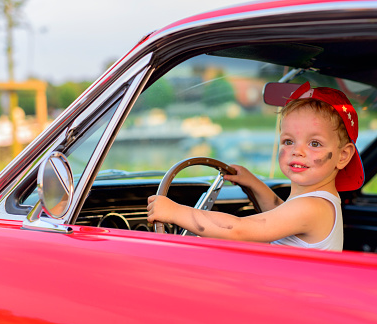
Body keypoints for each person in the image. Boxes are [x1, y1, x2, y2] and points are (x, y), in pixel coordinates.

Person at [147, 80, 364, 251]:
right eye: (288, 141)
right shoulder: (313, 203)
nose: (298, 151)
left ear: (343, 156)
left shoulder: (312, 208)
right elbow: (280, 211)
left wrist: (175, 212)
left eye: (314, 143)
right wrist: (252, 182)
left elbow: (238, 230)